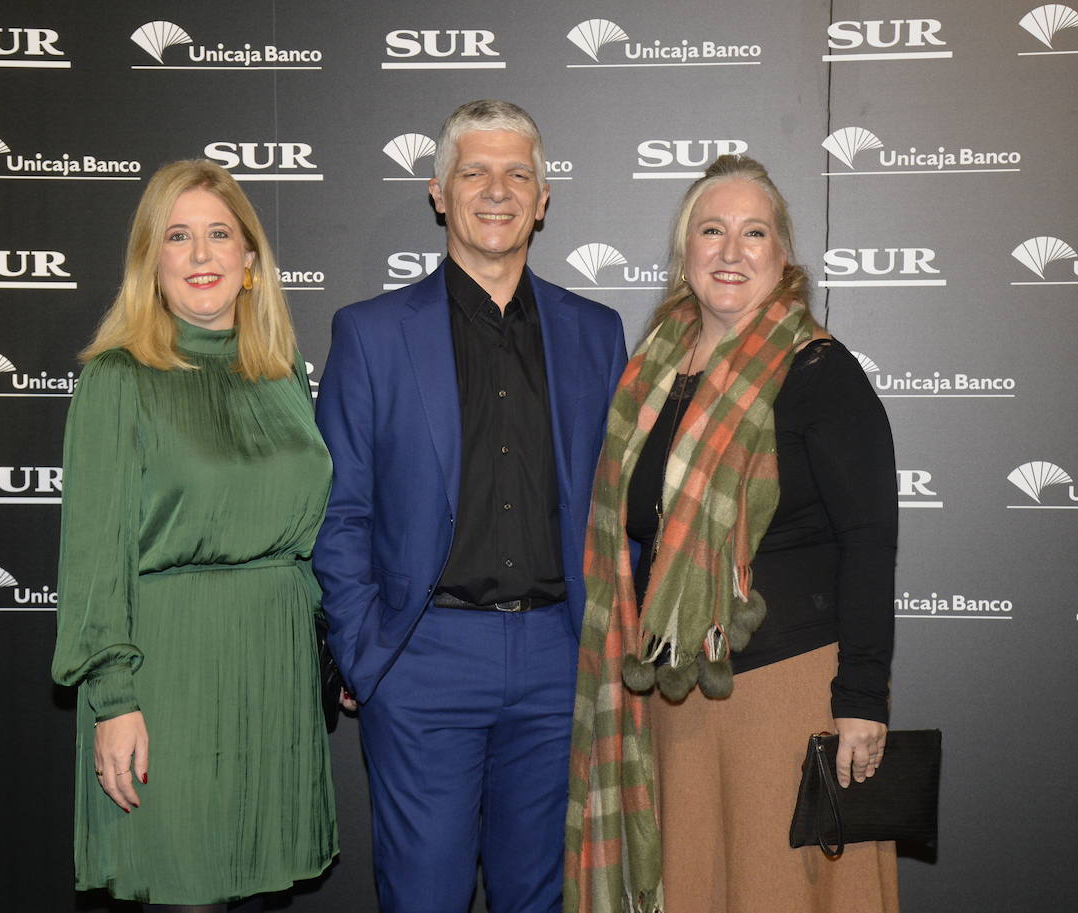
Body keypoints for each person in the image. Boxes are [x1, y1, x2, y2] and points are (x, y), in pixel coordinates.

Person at [313, 99, 627, 913]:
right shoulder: (372, 333)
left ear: (544, 197)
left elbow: (619, 504)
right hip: (424, 659)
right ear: (439, 192)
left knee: (541, 898)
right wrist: (363, 649)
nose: (498, 189)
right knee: (423, 897)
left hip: (561, 662)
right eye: (476, 172)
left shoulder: (596, 333)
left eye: (517, 173)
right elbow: (340, 508)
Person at [566, 154, 899, 913]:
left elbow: (871, 540)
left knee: (777, 890)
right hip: (673, 695)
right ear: (685, 254)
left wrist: (861, 697)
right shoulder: (649, 377)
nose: (731, 250)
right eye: (712, 230)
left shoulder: (820, 370)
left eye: (754, 233)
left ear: (783, 256)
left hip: (786, 693)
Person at [52, 160, 337, 911]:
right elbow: (92, 557)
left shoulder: (281, 373)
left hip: (274, 672)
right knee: (186, 892)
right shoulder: (118, 379)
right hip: (171, 678)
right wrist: (112, 699)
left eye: (219, 234)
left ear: (250, 260)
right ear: (152, 260)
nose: (202, 255)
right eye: (179, 237)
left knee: (247, 890)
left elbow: (308, 536)